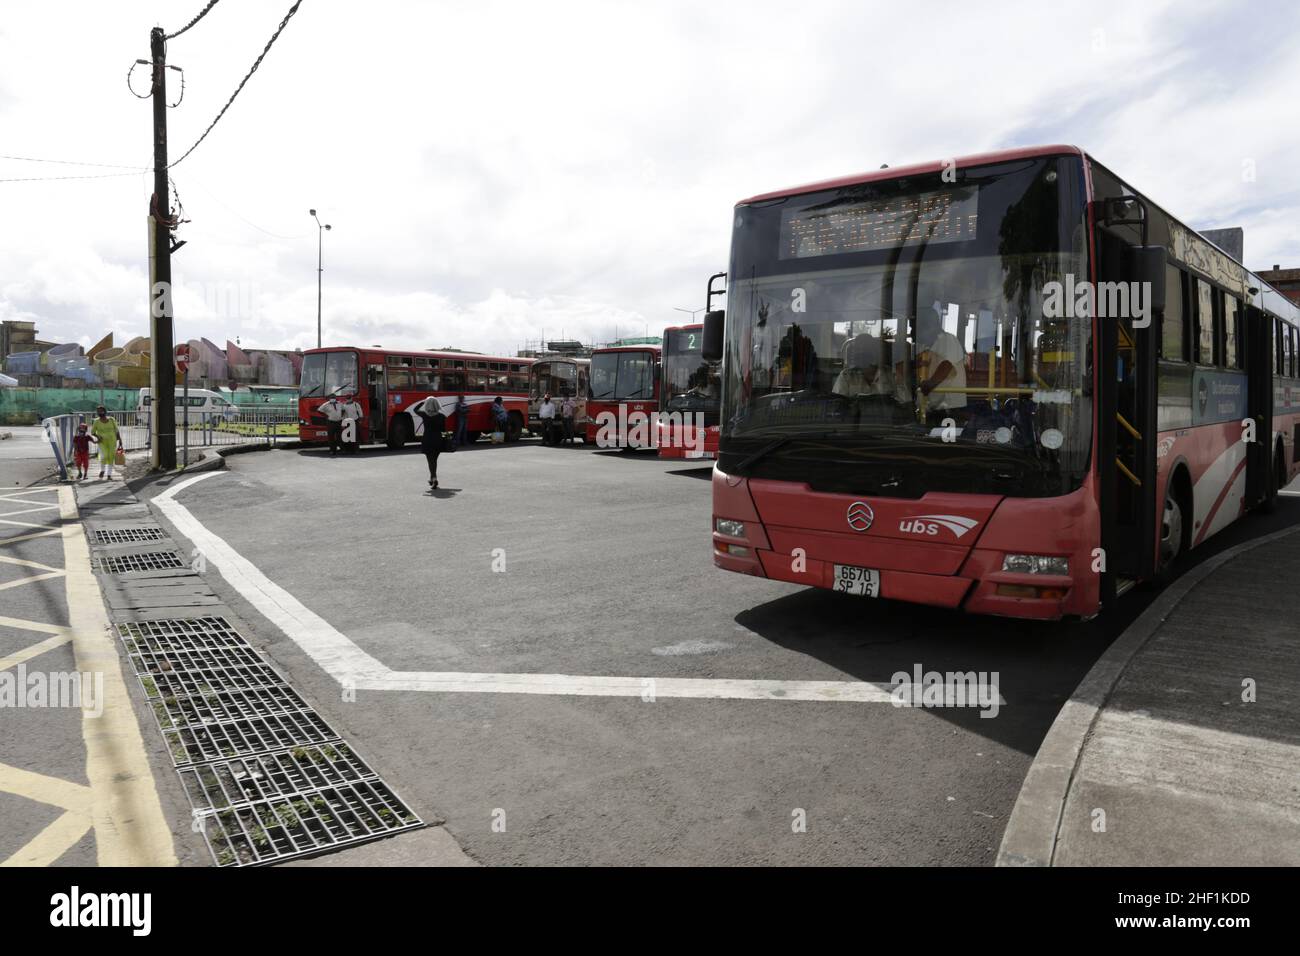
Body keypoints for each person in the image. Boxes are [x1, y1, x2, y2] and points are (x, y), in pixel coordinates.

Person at [916, 305, 968, 422]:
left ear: (930, 325)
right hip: (932, 409)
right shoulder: (927, 347)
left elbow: (946, 366)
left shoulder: (947, 340)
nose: (912, 331)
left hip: (949, 410)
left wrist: (929, 384)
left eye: (916, 327)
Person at [413, 396, 446, 489]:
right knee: (434, 460)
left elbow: (415, 409)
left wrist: (423, 402)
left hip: (427, 439)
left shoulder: (424, 415)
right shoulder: (441, 416)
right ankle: (432, 478)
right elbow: (443, 429)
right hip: (438, 439)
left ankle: (434, 478)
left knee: (430, 461)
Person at [89, 406, 123, 480]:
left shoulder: (111, 420)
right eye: (98, 411)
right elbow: (93, 432)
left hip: (112, 441)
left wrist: (120, 440)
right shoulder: (96, 421)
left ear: (105, 411)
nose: (100, 413)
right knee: (104, 456)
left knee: (111, 456)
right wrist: (98, 437)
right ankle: (102, 470)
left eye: (101, 411)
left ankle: (109, 475)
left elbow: (116, 430)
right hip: (102, 442)